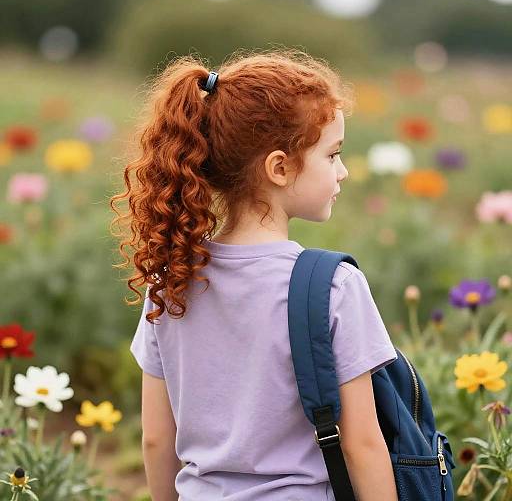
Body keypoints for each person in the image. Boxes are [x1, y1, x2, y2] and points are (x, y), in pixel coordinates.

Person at [112, 48, 399, 501]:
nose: (343, 172)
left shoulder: (172, 280)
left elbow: (155, 439)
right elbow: (362, 445)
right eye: (332, 154)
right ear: (280, 167)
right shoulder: (333, 286)